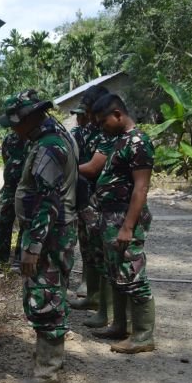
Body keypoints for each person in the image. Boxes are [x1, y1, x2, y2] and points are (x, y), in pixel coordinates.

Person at [0, 90, 78, 383]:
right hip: (50, 232)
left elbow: (48, 201)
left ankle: (47, 372)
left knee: (45, 296)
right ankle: (48, 362)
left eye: (15, 122)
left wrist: (32, 247)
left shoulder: (49, 147)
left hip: (49, 234)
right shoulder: (51, 137)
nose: (13, 129)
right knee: (48, 293)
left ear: (30, 117)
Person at [90, 93, 156, 353]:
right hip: (110, 217)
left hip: (125, 217)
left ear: (118, 114)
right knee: (115, 272)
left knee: (133, 273)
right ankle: (120, 325)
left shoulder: (139, 142)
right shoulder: (118, 141)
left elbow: (141, 188)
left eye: (102, 120)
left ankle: (143, 335)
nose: (100, 126)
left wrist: (128, 226)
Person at [69, 85, 112, 315]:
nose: (82, 118)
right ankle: (93, 297)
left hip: (101, 201)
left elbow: (95, 167)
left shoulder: (108, 135)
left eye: (86, 112)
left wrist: (68, 170)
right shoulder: (82, 133)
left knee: (101, 252)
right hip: (85, 199)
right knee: (88, 248)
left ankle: (106, 307)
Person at [0, 129, 28, 269]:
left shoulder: (34, 138)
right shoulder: (10, 138)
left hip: (28, 188)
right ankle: (1, 257)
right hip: (10, 188)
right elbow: (6, 159)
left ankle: (19, 259)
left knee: (26, 223)